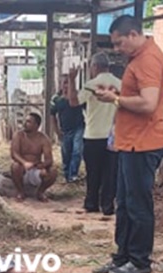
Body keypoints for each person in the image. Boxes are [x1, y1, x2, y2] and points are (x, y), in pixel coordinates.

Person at [93, 15, 163, 273]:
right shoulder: (138, 58)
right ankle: (122, 257)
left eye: (119, 43)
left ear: (134, 34)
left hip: (144, 142)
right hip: (132, 142)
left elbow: (148, 104)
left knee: (137, 204)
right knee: (124, 203)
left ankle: (139, 260)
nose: (116, 49)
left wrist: (115, 99)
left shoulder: (148, 60)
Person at [68, 52, 122, 215]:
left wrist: (72, 80)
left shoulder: (91, 84)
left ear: (95, 67)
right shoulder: (120, 84)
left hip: (93, 134)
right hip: (113, 136)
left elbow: (73, 102)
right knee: (110, 173)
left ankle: (91, 202)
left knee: (93, 172)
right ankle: (107, 205)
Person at [9, 112, 57, 202]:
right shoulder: (18, 135)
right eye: (25, 121)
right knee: (15, 166)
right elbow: (14, 154)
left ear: (36, 125)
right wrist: (24, 163)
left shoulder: (43, 139)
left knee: (53, 171)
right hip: (21, 168)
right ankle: (20, 192)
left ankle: (40, 192)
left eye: (28, 122)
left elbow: (49, 159)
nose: (25, 124)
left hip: (36, 168)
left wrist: (41, 165)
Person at [51, 76, 85, 183]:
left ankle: (73, 174)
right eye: (64, 83)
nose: (66, 85)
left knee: (77, 151)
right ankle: (67, 174)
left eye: (68, 82)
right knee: (66, 153)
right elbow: (52, 116)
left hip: (79, 128)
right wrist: (57, 131)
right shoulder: (56, 99)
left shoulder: (78, 96)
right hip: (65, 130)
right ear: (60, 84)